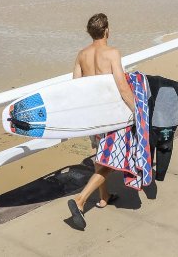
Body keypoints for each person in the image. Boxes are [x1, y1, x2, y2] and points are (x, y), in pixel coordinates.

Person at [67, 14, 138, 230]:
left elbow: (75, 87)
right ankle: (80, 200)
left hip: (93, 117)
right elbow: (122, 86)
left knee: (101, 157)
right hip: (111, 116)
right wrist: (137, 110)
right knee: (112, 162)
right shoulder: (112, 53)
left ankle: (104, 197)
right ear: (107, 30)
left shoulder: (82, 55)